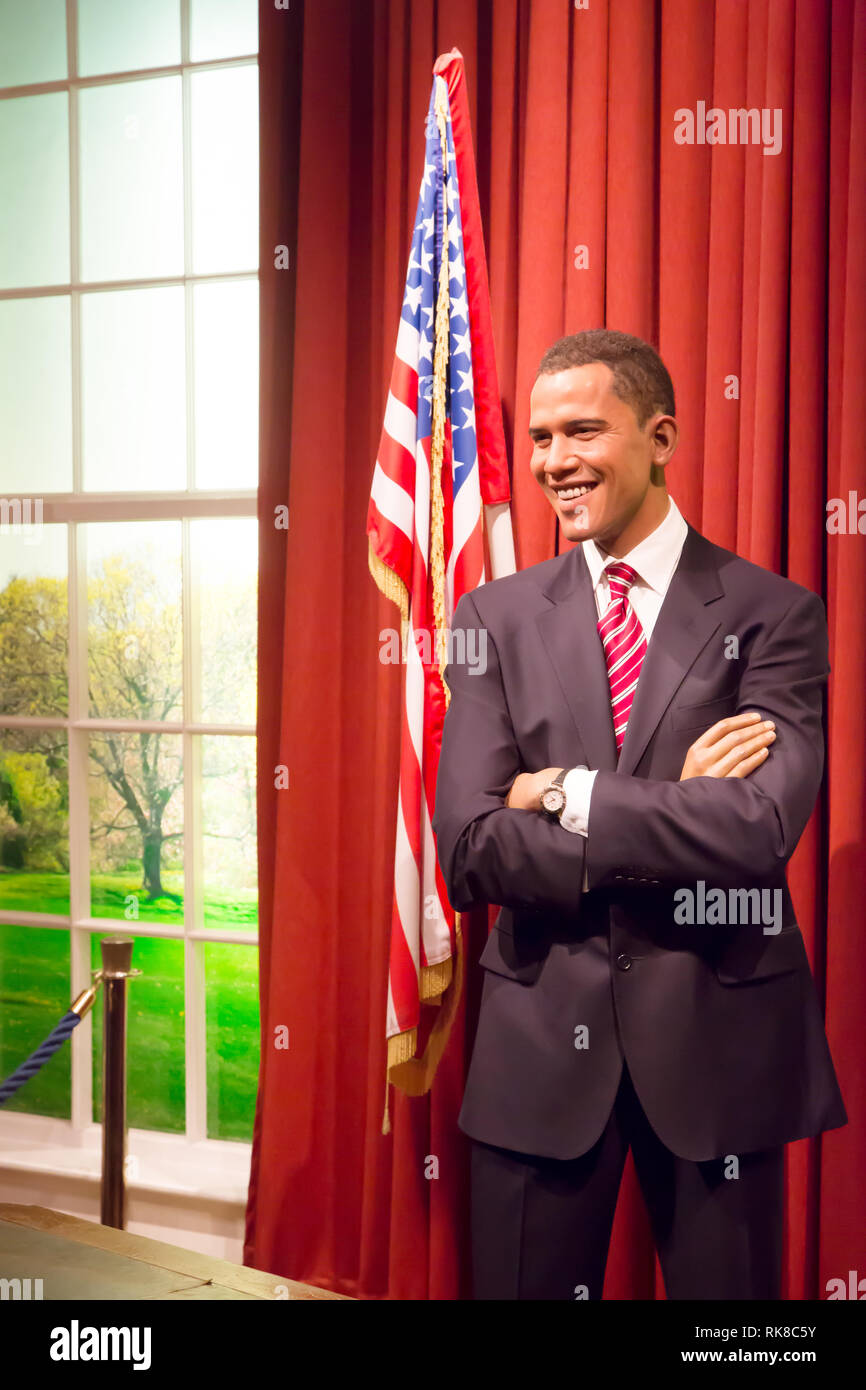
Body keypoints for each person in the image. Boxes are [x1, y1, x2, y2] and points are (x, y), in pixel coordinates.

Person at [432, 329, 847, 1301]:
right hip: (537, 1055)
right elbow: (467, 848)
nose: (550, 462)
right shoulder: (490, 620)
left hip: (720, 1049)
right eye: (538, 438)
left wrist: (567, 793)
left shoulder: (771, 616)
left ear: (659, 436)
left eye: (580, 430)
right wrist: (673, 813)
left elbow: (753, 833)